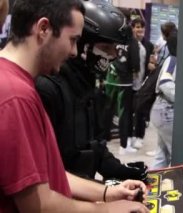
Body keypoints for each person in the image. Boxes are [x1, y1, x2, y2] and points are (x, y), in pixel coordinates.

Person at [0, 0, 149, 212]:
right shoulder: (17, 96)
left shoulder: (18, 84)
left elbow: (49, 175)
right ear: (43, 29)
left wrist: (107, 192)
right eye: (72, 40)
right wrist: (106, 209)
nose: (73, 52)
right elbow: (38, 205)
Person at [35, 0, 148, 182]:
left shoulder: (86, 86)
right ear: (82, 43)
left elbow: (93, 144)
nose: (112, 55)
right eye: (105, 48)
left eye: (114, 48)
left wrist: (118, 169)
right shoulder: (48, 88)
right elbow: (46, 173)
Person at [117, 17, 154, 154]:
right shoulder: (128, 44)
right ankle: (126, 141)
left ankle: (137, 136)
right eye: (137, 27)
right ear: (132, 28)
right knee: (127, 113)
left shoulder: (147, 45)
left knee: (140, 112)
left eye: (142, 27)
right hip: (128, 84)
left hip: (141, 84)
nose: (140, 30)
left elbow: (148, 63)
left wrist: (150, 65)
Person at [150, 33, 178, 169]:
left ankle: (151, 186)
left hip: (160, 109)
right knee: (177, 154)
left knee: (162, 154)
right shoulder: (174, 60)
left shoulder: (170, 59)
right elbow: (165, 82)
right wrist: (181, 99)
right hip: (166, 110)